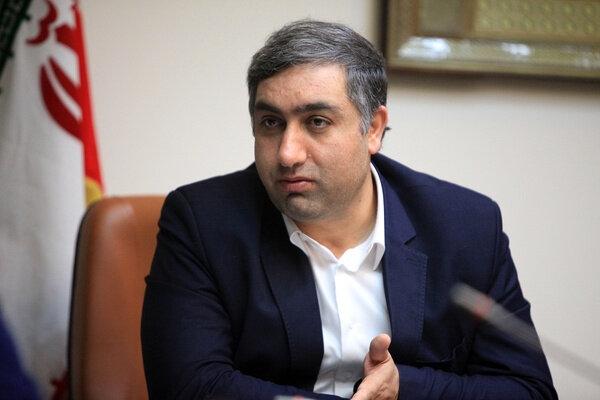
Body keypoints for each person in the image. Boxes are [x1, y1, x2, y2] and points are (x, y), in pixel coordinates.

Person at [141, 20, 557, 399]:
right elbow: (189, 387)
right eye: (271, 123)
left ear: (373, 128)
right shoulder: (201, 221)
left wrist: (402, 388)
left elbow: (528, 391)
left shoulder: (465, 226)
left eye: (316, 122)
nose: (287, 154)